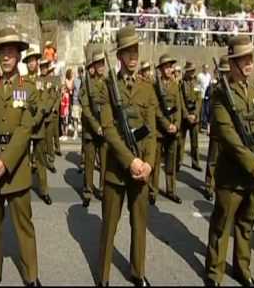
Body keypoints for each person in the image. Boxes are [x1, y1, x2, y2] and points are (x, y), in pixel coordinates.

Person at [205, 36, 254, 287]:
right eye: (244, 59)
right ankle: (214, 272)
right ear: (233, 63)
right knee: (222, 225)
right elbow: (228, 136)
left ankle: (242, 269)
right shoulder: (220, 95)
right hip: (232, 175)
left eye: (250, 58)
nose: (249, 63)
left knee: (246, 225)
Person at [0, 26, 41, 287]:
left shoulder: (26, 88)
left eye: (11, 50)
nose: (6, 56)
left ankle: (32, 276)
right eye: (2, 51)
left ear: (18, 55)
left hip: (15, 168)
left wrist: (5, 162)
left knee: (24, 226)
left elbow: (25, 128)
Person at [97, 25, 156, 286]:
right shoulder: (107, 87)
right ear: (119, 56)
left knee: (139, 224)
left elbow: (152, 132)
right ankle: (103, 276)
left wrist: (149, 164)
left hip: (142, 168)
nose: (133, 56)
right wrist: (130, 160)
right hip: (116, 170)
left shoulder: (147, 87)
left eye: (135, 51)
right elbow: (109, 130)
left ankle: (137, 272)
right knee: (109, 226)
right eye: (127, 52)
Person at [150, 54, 185, 205]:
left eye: (171, 66)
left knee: (171, 161)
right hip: (160, 129)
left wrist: (176, 125)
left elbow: (178, 107)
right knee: (156, 162)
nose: (170, 69)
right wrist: (166, 125)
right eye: (167, 66)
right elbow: (156, 109)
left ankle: (171, 190)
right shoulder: (155, 86)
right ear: (162, 69)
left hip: (173, 129)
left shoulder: (175, 85)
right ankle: (153, 191)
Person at [22, 47, 53, 206]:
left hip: (39, 124)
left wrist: (39, 115)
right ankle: (24, 187)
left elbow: (46, 101)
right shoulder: (21, 81)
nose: (31, 63)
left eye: (33, 60)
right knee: (25, 159)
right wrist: (28, 116)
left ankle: (44, 191)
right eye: (28, 61)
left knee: (40, 160)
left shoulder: (43, 81)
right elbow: (18, 102)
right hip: (26, 125)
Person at [79, 47, 107, 207]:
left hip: (104, 129)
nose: (101, 66)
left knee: (104, 162)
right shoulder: (86, 82)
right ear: (93, 66)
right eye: (98, 63)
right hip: (91, 129)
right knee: (89, 163)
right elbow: (86, 108)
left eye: (102, 63)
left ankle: (103, 189)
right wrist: (96, 127)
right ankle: (88, 191)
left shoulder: (108, 82)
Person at [204, 56, 230, 201]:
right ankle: (209, 186)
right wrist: (208, 123)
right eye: (223, 72)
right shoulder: (214, 87)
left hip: (229, 130)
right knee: (213, 159)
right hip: (215, 127)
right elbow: (208, 108)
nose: (225, 74)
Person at [178, 62, 202, 172]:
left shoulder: (197, 82)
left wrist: (195, 114)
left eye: (193, 70)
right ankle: (178, 161)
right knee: (181, 141)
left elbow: (199, 99)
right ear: (186, 71)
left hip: (194, 115)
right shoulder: (181, 83)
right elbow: (181, 100)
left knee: (195, 142)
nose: (192, 73)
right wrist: (186, 115)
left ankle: (195, 162)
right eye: (190, 71)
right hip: (185, 115)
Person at [197, 64, 212, 131]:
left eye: (207, 68)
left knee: (207, 110)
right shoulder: (200, 76)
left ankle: (205, 125)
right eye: (205, 68)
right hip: (201, 95)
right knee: (201, 111)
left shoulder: (209, 75)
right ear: (203, 68)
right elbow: (197, 85)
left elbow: (209, 84)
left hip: (207, 96)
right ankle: (201, 125)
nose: (206, 69)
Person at [71, 66, 83, 139]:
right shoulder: (75, 80)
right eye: (80, 72)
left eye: (81, 72)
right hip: (76, 101)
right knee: (75, 117)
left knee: (82, 117)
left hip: (82, 102)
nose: (80, 73)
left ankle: (81, 131)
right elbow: (72, 89)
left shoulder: (84, 80)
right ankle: (75, 132)